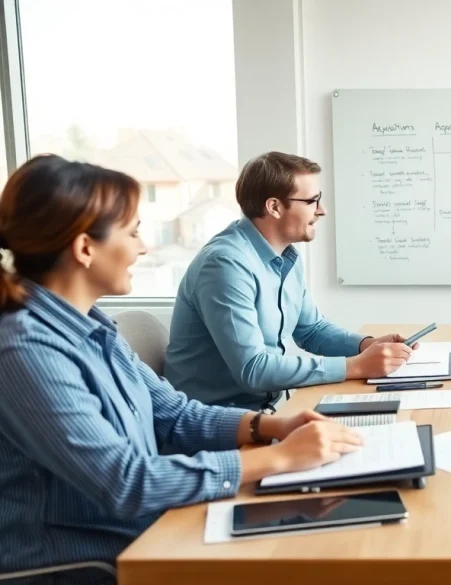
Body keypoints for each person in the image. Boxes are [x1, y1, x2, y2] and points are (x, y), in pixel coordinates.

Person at [0, 155, 364, 580]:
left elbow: (174, 414)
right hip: (87, 560)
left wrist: (266, 428)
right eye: (133, 231)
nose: (143, 247)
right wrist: (280, 459)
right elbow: (127, 483)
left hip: (148, 529)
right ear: (85, 248)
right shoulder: (25, 349)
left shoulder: (95, 328)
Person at [165, 152, 414, 411]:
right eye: (312, 201)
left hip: (263, 413)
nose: (322, 210)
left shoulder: (285, 256)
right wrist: (356, 366)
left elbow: (311, 330)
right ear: (274, 207)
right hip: (215, 424)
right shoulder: (225, 265)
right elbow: (253, 369)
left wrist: (366, 345)